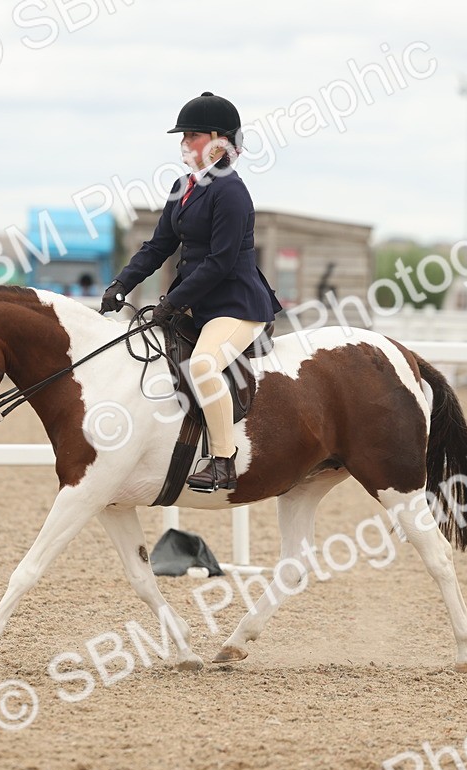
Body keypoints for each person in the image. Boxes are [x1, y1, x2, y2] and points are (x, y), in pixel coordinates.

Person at [101, 91, 282, 492]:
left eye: (193, 134)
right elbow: (159, 246)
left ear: (220, 139)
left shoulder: (231, 192)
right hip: (197, 304)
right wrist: (122, 283)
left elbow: (219, 262)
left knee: (202, 365)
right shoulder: (183, 186)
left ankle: (222, 459)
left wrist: (171, 302)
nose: (184, 142)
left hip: (235, 305)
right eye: (183, 135)